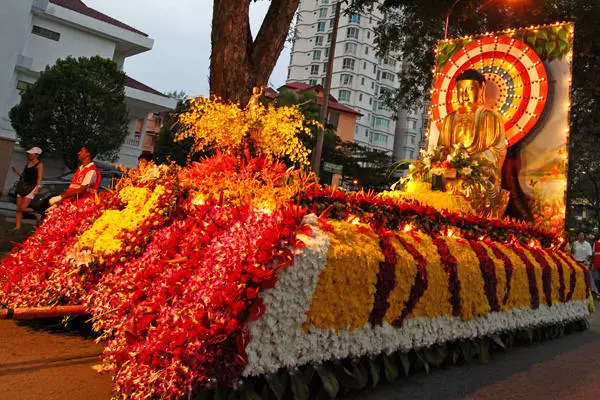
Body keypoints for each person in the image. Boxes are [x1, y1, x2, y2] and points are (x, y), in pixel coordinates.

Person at [438, 69, 507, 214]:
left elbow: (497, 150)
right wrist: (446, 162)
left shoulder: (490, 117)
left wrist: (469, 165)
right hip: (450, 175)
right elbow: (442, 149)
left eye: (469, 89)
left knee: (472, 186)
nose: (464, 95)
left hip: (477, 176)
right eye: (460, 90)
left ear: (481, 88)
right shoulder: (449, 120)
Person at [12, 147, 43, 229]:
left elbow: (39, 178)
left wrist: (37, 188)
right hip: (22, 186)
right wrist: (17, 172)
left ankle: (37, 214)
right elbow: (23, 176)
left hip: (31, 187)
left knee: (23, 208)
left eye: (31, 153)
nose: (29, 155)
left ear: (36, 155)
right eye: (29, 153)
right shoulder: (27, 164)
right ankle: (17, 227)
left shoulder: (39, 165)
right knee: (19, 208)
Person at [572, 232, 598, 297]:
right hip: (575, 263)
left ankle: (585, 292)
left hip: (584, 263)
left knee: (584, 278)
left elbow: (589, 254)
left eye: (582, 235)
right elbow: (572, 252)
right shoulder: (575, 243)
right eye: (579, 235)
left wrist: (586, 261)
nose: (581, 236)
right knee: (576, 277)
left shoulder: (587, 244)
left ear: (584, 236)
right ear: (577, 236)